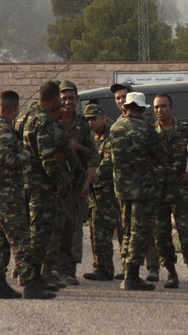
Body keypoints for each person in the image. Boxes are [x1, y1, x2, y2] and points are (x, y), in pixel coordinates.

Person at [0, 90, 53, 300]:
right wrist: (25, 155)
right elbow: (5, 157)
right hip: (7, 193)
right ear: (14, 108)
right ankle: (29, 283)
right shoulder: (5, 130)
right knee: (20, 238)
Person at [15, 81, 72, 294]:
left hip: (23, 181)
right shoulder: (43, 121)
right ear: (55, 98)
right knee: (40, 233)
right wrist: (57, 181)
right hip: (40, 185)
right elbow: (47, 157)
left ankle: (28, 274)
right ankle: (32, 278)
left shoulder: (23, 116)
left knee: (28, 231)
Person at [110, 92, 162, 291]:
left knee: (126, 230)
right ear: (142, 109)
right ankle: (132, 275)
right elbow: (161, 155)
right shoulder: (147, 130)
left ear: (126, 108)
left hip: (121, 188)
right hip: (142, 189)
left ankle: (126, 269)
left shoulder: (115, 128)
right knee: (139, 231)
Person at [152, 93, 188, 290]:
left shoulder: (184, 130)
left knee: (186, 233)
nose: (159, 110)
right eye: (156, 107)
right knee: (162, 235)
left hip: (180, 191)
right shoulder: (151, 132)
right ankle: (171, 274)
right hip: (158, 193)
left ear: (171, 108)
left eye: (163, 106)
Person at [51, 80, 99, 286]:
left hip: (74, 183)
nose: (68, 102)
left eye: (71, 98)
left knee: (73, 227)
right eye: (64, 98)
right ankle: (52, 267)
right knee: (52, 225)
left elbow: (94, 155)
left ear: (77, 99)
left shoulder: (83, 126)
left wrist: (79, 148)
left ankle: (69, 268)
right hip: (53, 181)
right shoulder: (52, 122)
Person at [83, 104, 120, 281]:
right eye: (88, 119)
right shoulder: (88, 137)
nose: (91, 122)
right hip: (92, 190)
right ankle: (100, 266)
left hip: (107, 190)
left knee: (103, 229)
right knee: (94, 227)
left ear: (102, 118)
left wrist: (94, 175)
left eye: (94, 118)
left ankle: (105, 268)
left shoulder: (111, 135)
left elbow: (110, 159)